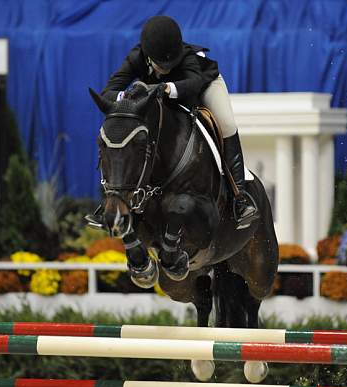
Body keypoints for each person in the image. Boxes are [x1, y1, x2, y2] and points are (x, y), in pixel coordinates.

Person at [87, 15, 258, 229]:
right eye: (161, 64)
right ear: (148, 56)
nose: (166, 68)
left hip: (202, 87)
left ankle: (239, 199)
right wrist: (129, 95)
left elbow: (194, 84)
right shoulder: (136, 57)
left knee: (226, 125)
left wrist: (167, 88)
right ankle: (113, 201)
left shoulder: (188, 57)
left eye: (171, 64)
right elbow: (109, 91)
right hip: (160, 99)